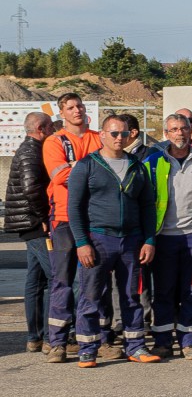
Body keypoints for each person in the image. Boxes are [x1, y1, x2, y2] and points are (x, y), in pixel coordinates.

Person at [62, 113, 157, 367]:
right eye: (113, 133)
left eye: (124, 133)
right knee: (91, 296)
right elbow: (75, 208)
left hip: (131, 241)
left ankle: (136, 346)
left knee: (131, 296)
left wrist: (149, 240)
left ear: (130, 135)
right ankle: (87, 348)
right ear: (102, 135)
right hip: (98, 239)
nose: (119, 138)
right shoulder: (87, 165)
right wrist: (82, 242)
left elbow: (148, 206)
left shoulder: (137, 166)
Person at [145, 113, 192, 358]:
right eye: (174, 129)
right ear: (166, 134)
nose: (179, 134)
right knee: (164, 291)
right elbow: (144, 201)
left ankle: (188, 342)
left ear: (191, 131)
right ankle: (163, 342)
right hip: (163, 237)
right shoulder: (153, 162)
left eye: (184, 129)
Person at [40, 93, 103, 360]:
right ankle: (57, 341)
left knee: (95, 280)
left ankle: (94, 337)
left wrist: (77, 166)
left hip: (97, 217)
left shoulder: (99, 137)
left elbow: (109, 169)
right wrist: (88, 168)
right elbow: (61, 175)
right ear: (61, 113)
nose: (76, 110)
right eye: (70, 107)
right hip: (64, 217)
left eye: (79, 106)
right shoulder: (54, 142)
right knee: (62, 279)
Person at [3, 109, 51, 351]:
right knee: (54, 277)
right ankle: (51, 336)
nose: (53, 131)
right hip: (33, 223)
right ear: (41, 129)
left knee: (36, 280)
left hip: (27, 221)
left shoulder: (29, 149)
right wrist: (44, 217)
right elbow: (32, 187)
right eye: (51, 127)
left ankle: (35, 337)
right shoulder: (31, 151)